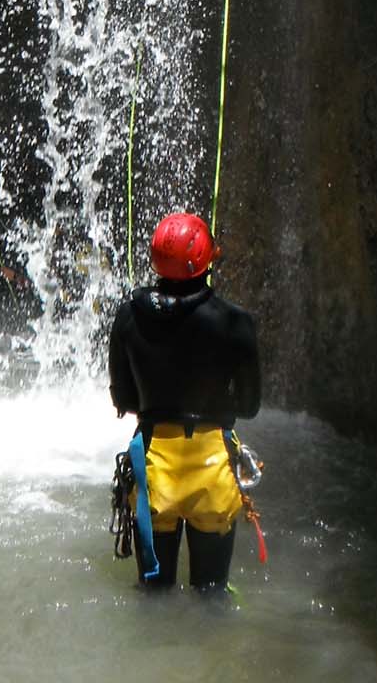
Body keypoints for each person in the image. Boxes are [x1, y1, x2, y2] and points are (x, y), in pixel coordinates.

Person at [108, 211, 261, 590]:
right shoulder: (235, 321)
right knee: (212, 596)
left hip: (154, 465)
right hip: (212, 468)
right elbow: (250, 405)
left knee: (153, 595)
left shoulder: (128, 315)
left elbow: (124, 397)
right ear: (207, 258)